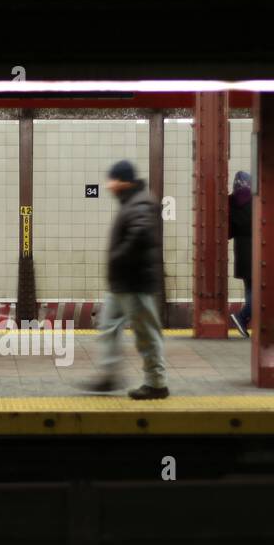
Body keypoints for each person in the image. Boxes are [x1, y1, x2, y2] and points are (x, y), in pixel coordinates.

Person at [84, 159, 168, 400]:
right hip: (121, 285)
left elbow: (140, 233)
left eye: (112, 180)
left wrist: (119, 256)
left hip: (136, 283)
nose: (109, 185)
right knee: (107, 328)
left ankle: (156, 383)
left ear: (124, 181)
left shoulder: (141, 203)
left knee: (146, 334)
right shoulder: (131, 202)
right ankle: (109, 376)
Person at [229, 170, 254, 337]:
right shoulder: (255, 200)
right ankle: (242, 316)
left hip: (241, 251)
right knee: (260, 292)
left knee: (250, 289)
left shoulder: (230, 202)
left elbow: (228, 233)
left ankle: (243, 321)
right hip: (256, 250)